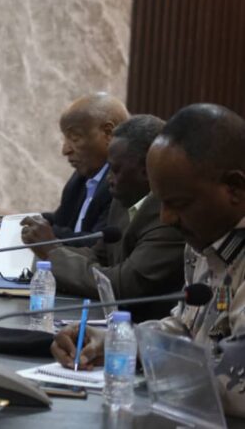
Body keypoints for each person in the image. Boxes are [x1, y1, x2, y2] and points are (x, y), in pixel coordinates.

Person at [51, 103, 245, 417]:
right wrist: (116, 341)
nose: (166, 218)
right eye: (161, 202)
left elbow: (232, 385)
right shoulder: (203, 240)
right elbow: (185, 328)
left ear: (234, 188)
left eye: (178, 203)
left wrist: (142, 356)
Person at [20, 115, 185, 322]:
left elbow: (120, 286)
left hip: (145, 331)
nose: (108, 179)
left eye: (115, 170)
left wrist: (52, 252)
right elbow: (98, 256)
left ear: (147, 170)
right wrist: (45, 251)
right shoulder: (124, 201)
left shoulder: (167, 218)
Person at [0, 93, 129, 244]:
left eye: (75, 138)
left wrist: (20, 226)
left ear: (108, 133)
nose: (65, 150)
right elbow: (59, 223)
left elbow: (96, 244)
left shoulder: (123, 184)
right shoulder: (81, 178)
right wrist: (12, 222)